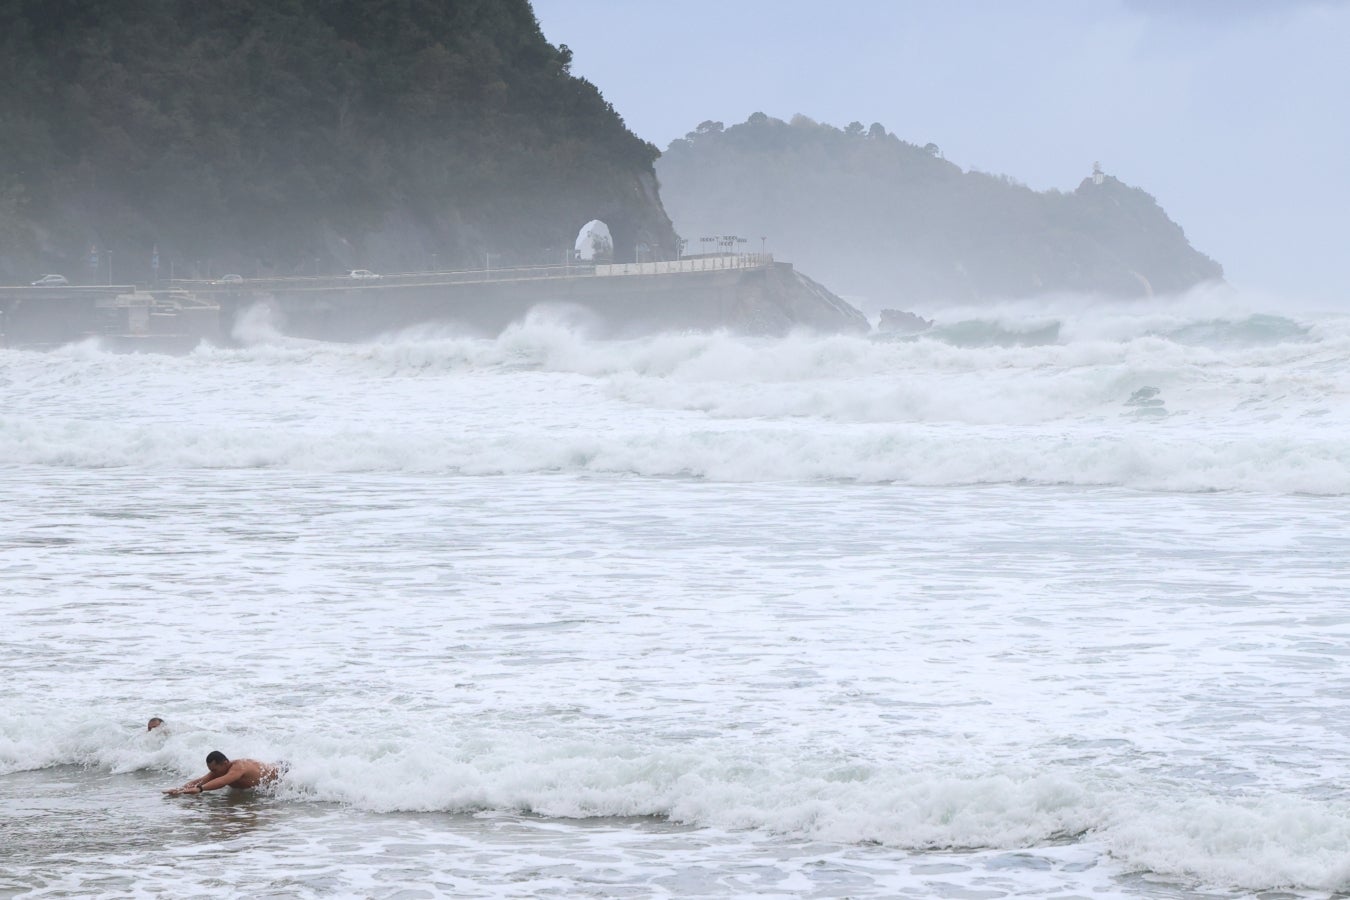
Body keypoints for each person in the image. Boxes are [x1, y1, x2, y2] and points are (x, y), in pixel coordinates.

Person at [163, 751, 282, 795]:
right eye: (211, 770)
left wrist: (200, 789)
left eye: (214, 770)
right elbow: (201, 780)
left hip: (283, 773)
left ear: (225, 763)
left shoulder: (239, 767)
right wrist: (179, 790)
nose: (213, 773)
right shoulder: (219, 771)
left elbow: (223, 781)